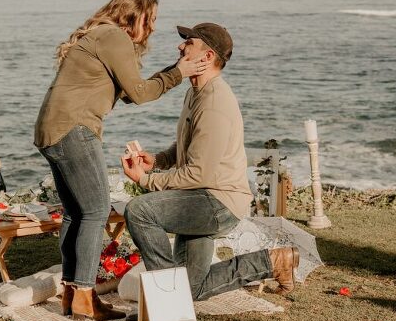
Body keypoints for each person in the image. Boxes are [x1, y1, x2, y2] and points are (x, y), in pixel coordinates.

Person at [34, 0, 209, 321]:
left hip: (52, 128)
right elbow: (141, 94)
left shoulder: (102, 35)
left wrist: (176, 69)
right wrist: (181, 72)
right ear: (135, 14)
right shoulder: (114, 37)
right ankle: (84, 295)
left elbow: (130, 93)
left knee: (76, 212)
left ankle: (71, 291)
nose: (153, 27)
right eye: (151, 19)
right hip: (74, 128)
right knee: (95, 211)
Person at [121, 22, 299, 303]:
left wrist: (145, 180)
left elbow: (198, 173)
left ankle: (166, 297)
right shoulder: (195, 92)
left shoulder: (214, 102)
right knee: (192, 288)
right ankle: (274, 262)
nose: (180, 46)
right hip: (199, 197)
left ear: (207, 57)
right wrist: (157, 160)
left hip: (216, 202)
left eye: (188, 43)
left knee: (140, 211)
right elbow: (189, 144)